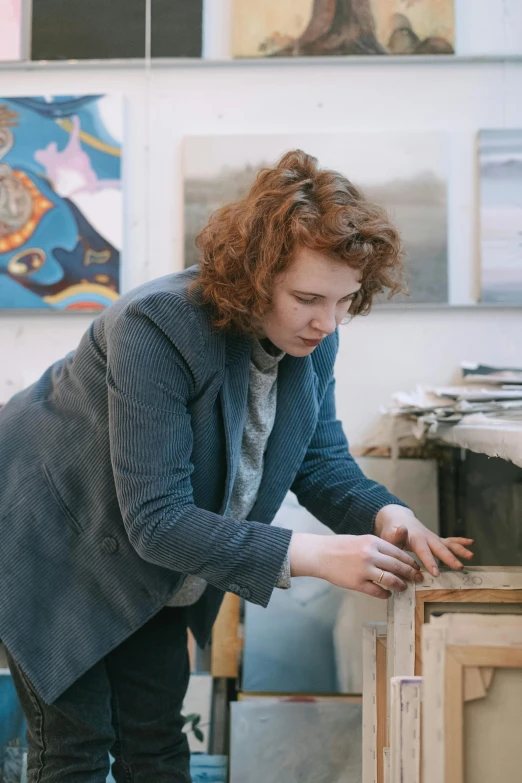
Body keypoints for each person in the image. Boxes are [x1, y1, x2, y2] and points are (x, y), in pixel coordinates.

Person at [0, 150, 473, 782]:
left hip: (145, 558)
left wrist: (388, 512)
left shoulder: (311, 337)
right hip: (49, 537)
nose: (326, 323)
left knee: (157, 740)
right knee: (76, 749)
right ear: (254, 275)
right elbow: (160, 520)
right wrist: (313, 557)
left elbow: (320, 461)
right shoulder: (156, 324)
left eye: (344, 301)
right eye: (308, 298)